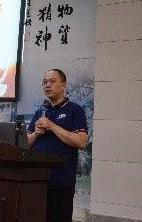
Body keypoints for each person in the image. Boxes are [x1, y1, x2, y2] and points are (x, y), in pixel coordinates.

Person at [27, 69, 88, 222]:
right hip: (37, 181)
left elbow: (81, 141)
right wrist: (36, 134)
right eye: (44, 82)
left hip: (61, 182)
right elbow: (25, 144)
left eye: (52, 81)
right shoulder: (40, 112)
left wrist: (52, 126)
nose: (47, 85)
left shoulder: (75, 110)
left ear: (64, 85)